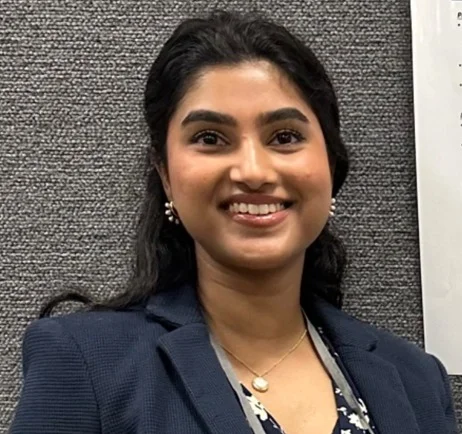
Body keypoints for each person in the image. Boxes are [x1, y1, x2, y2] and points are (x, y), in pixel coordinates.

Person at [10, 10, 457, 434]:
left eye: (285, 137)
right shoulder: (85, 362)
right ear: (165, 175)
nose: (253, 171)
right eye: (210, 138)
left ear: (330, 165)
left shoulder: (417, 380)